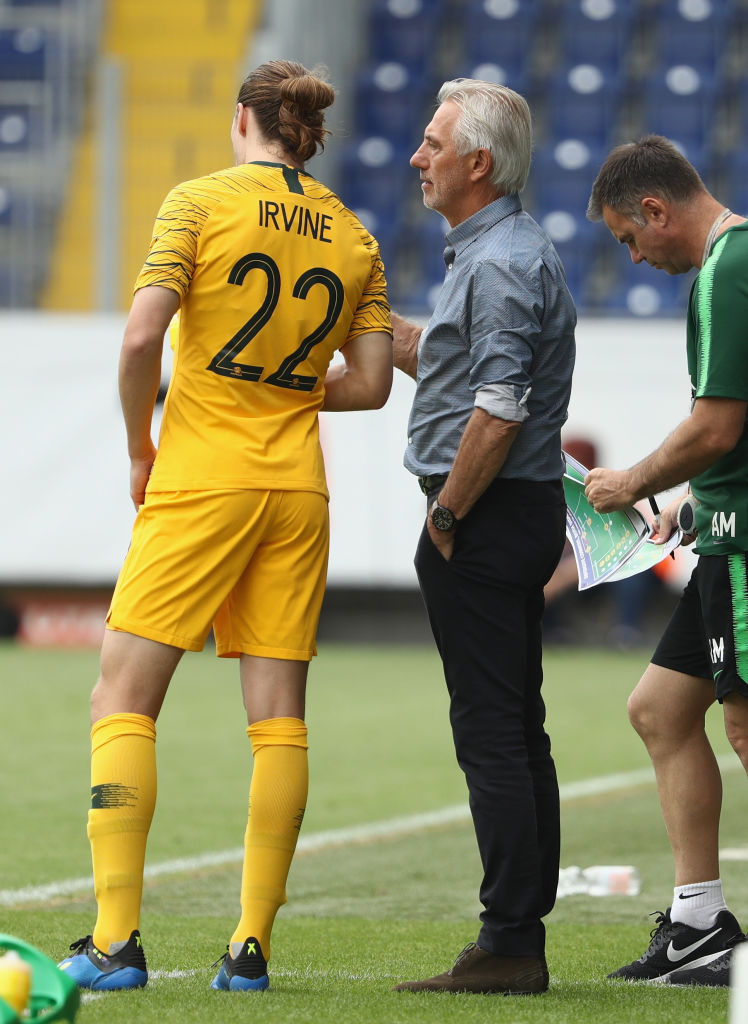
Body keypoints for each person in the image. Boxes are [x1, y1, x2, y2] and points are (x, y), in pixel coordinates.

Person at [57, 59, 392, 994]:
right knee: (279, 722)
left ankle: (115, 944)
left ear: (244, 119)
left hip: (203, 478)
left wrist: (138, 446)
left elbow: (138, 339)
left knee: (121, 699)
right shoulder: (354, 235)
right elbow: (367, 385)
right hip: (297, 489)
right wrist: (283, 390)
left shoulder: (199, 201)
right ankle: (250, 952)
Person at [391, 78, 576, 994]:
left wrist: (447, 517)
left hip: (486, 514)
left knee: (493, 733)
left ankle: (510, 944)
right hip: (510, 511)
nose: (417, 158)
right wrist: (381, 330)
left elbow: (498, 409)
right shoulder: (500, 253)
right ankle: (517, 933)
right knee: (516, 729)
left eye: (432, 144)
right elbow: (463, 364)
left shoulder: (499, 261)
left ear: (478, 164)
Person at [584, 135, 748, 987]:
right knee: (659, 711)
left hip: (747, 549)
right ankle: (699, 929)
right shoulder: (731, 266)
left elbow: (716, 425)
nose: (634, 254)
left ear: (654, 209)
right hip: (725, 532)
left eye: (626, 237)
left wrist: (635, 481)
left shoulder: (730, 264)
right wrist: (691, 502)